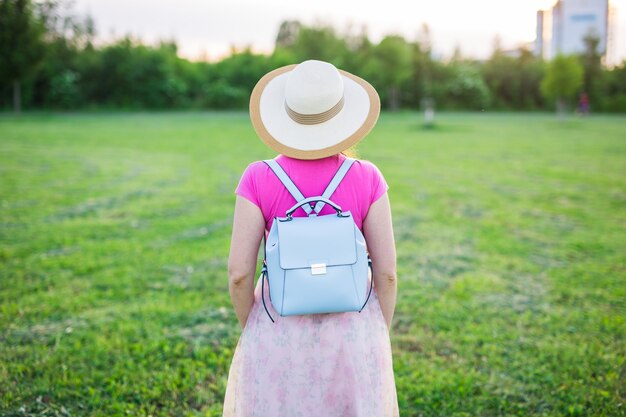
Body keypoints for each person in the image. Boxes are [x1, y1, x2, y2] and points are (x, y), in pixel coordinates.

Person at [222, 60, 399, 417]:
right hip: (352, 331)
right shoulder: (368, 177)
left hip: (279, 328)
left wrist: (255, 328)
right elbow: (388, 273)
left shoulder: (258, 177)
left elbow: (239, 274)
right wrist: (375, 331)